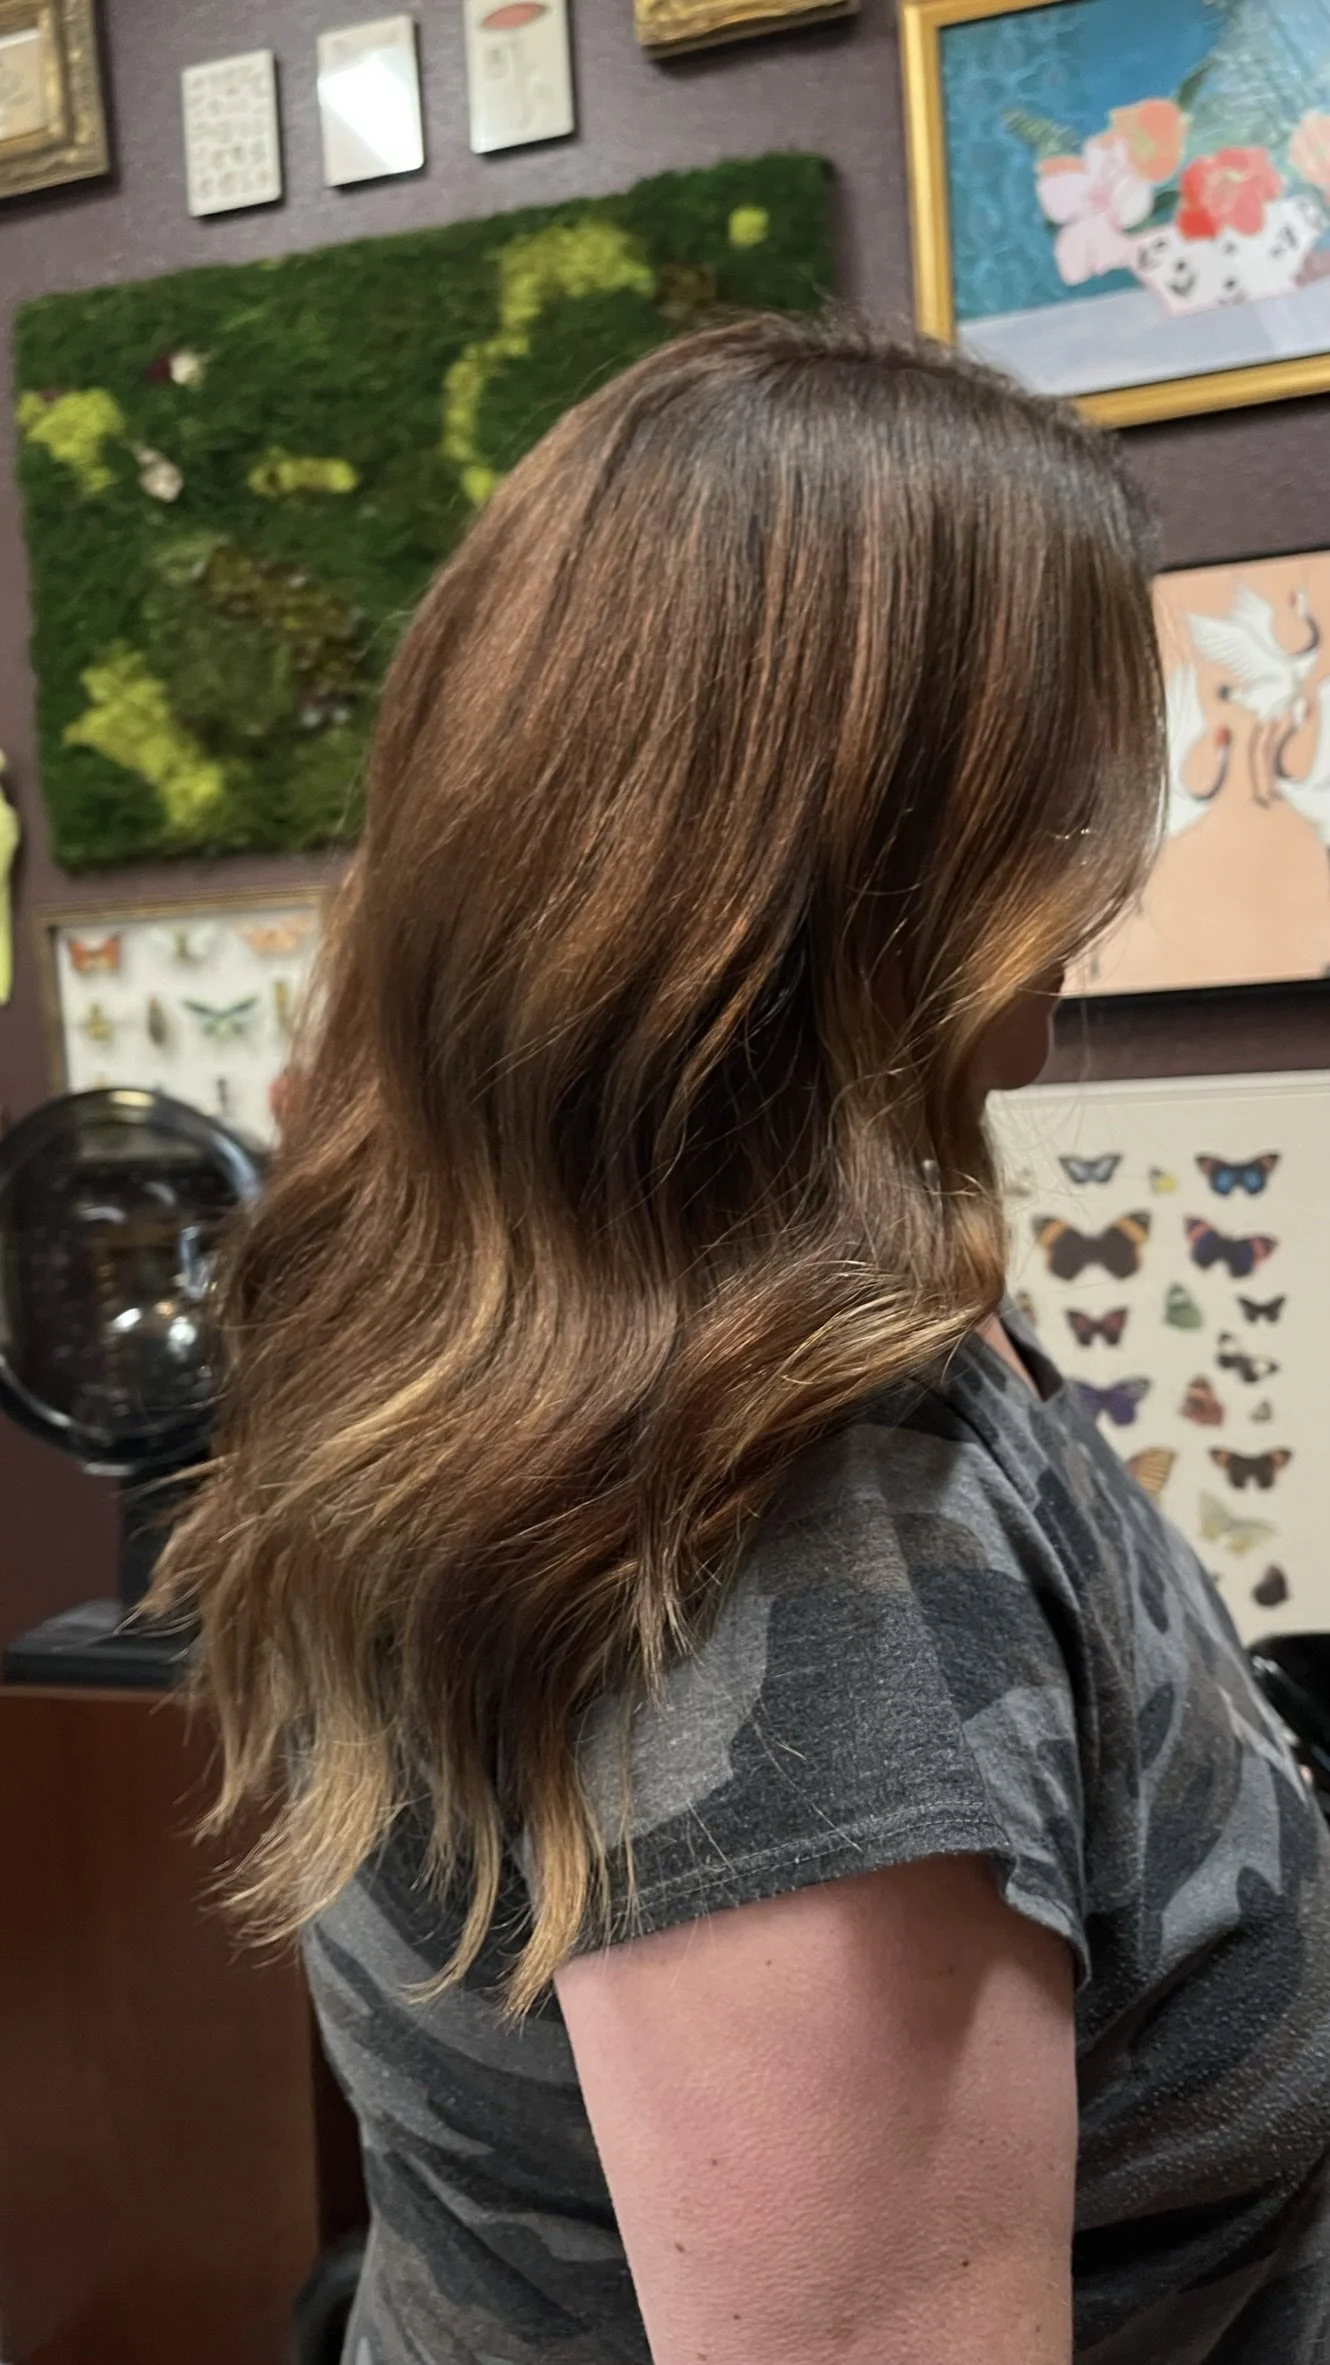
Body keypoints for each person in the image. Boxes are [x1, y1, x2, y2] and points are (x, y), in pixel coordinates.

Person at [152, 315, 1330, 2365]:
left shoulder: (560, 1335)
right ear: (887, 843)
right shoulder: (784, 1538)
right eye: (1073, 772)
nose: (1110, 863)